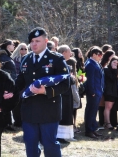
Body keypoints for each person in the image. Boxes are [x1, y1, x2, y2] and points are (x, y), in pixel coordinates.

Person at [15, 27, 70, 157]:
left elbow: (65, 84)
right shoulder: (26, 59)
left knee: (50, 145)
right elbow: (20, 81)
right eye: (32, 41)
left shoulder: (56, 59)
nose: (34, 44)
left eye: (37, 41)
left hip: (49, 110)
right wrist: (9, 91)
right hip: (29, 110)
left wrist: (46, 90)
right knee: (31, 146)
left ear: (46, 41)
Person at [0, 39, 17, 131]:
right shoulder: (3, 57)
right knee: (4, 102)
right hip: (5, 84)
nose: (14, 46)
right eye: (12, 44)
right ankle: (4, 124)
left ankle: (7, 123)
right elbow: (2, 71)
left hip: (9, 82)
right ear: (7, 46)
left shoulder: (7, 56)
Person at [84, 46, 104, 139]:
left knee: (94, 111)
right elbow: (90, 80)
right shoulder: (90, 64)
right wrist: (92, 92)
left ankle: (93, 129)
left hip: (98, 91)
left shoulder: (96, 63)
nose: (101, 56)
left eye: (102, 54)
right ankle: (89, 130)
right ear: (94, 54)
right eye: (99, 54)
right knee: (90, 111)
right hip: (94, 92)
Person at [57, 45, 74, 143]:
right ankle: (59, 136)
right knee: (63, 114)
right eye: (69, 51)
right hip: (63, 93)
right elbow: (65, 78)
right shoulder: (60, 64)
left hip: (67, 92)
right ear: (63, 53)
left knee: (67, 114)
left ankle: (63, 136)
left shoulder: (65, 63)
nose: (70, 53)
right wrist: (72, 78)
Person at [10, 42, 29, 127]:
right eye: (22, 48)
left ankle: (23, 120)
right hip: (17, 82)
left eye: (25, 49)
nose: (24, 50)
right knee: (17, 103)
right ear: (18, 49)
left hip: (26, 84)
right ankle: (17, 121)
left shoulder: (28, 59)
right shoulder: (14, 59)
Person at [103, 56, 118, 130]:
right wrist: (115, 70)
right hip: (109, 91)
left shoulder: (116, 70)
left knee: (110, 108)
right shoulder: (107, 69)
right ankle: (108, 123)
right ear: (110, 62)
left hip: (114, 91)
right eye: (114, 62)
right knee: (108, 107)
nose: (115, 64)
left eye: (117, 63)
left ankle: (107, 122)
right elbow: (112, 78)